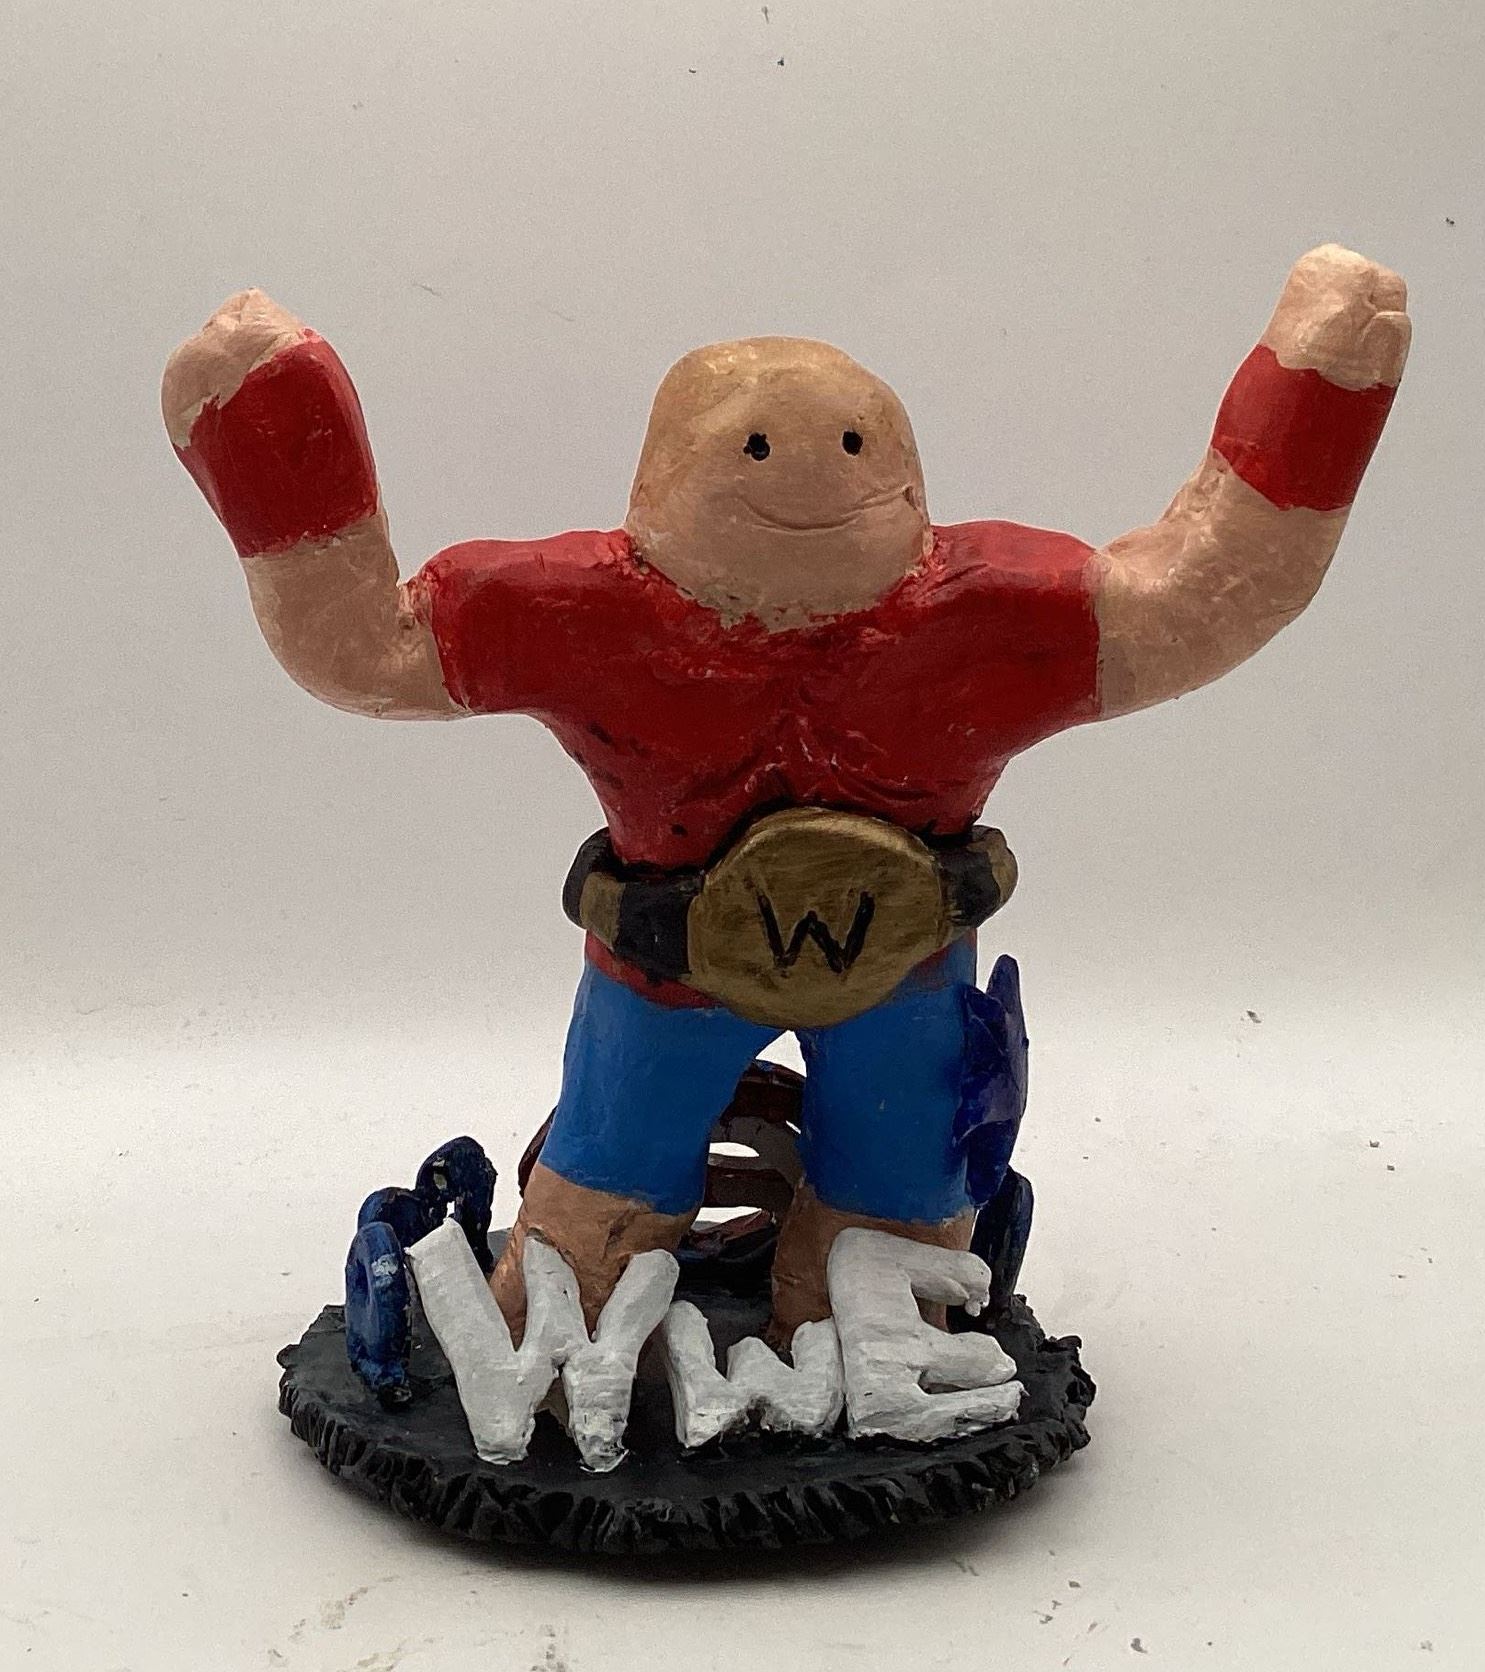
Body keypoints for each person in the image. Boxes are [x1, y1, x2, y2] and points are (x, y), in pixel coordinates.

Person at [162, 245, 1409, 1338]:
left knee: (894, 1234)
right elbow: (364, 651)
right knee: (590, 1230)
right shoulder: (585, 615)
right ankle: (571, 1346)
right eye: (750, 444)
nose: (808, 465)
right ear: (652, 492)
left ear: (907, 479)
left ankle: (870, 1346)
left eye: (855, 443)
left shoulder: (990, 619)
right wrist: (270, 434)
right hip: (663, 973)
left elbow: (1204, 595)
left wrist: (1325, 378)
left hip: (902, 977)